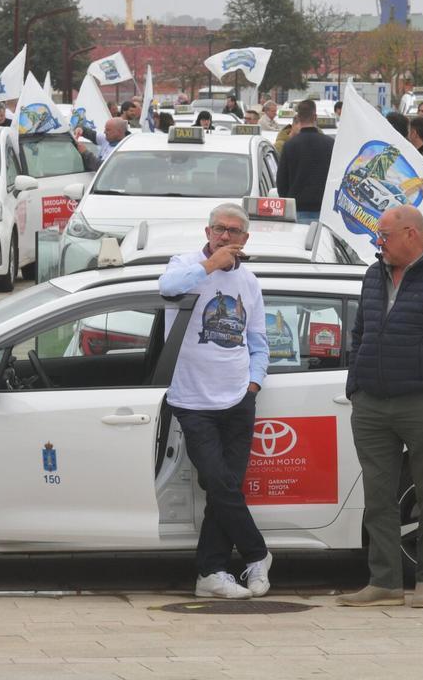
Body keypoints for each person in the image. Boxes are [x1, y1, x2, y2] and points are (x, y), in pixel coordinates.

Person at [338, 205, 423, 609]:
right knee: (378, 498)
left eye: (384, 235)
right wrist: (355, 385)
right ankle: (384, 582)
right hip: (371, 403)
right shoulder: (373, 275)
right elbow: (360, 332)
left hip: (421, 403)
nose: (378, 242)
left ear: (411, 235)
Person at [158, 203, 272, 600]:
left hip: (238, 398)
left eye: (233, 231)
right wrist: (210, 266)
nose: (225, 236)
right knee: (218, 481)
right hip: (192, 400)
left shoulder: (250, 282)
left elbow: (258, 341)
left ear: (245, 239)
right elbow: (167, 287)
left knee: (226, 488)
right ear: (207, 232)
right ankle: (257, 554)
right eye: (219, 229)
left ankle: (212, 572)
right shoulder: (186, 265)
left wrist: (253, 384)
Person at [276, 100, 334, 223]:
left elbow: (281, 181)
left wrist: (288, 202)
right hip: (324, 211)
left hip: (296, 210)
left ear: (298, 118)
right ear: (315, 117)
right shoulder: (330, 144)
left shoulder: (289, 145)